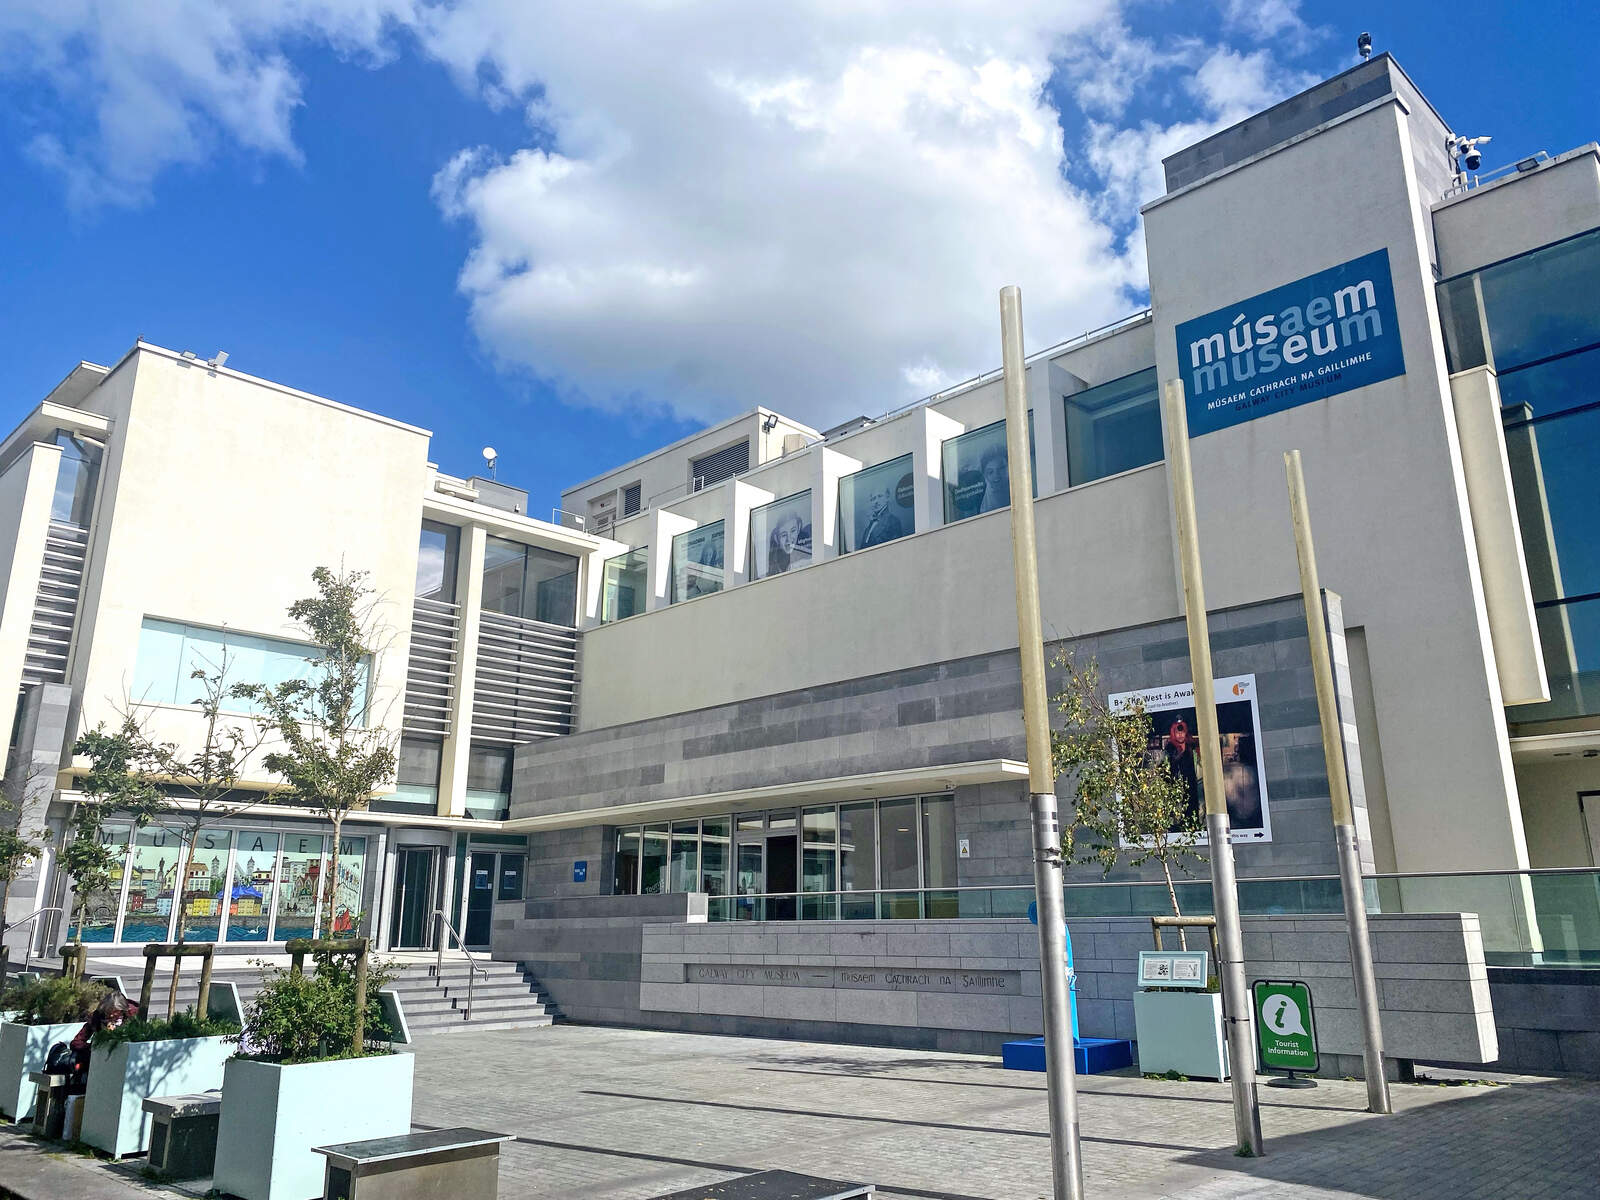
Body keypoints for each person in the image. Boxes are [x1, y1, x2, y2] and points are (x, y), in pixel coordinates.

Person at [65, 990, 138, 1094]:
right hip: (100, 1064)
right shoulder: (97, 1018)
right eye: (108, 1012)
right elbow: (76, 1042)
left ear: (122, 1010)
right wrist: (95, 1047)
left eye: (115, 1012)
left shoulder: (133, 1016)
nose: (111, 1015)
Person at [766, 511, 811, 575]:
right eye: (784, 535)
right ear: (776, 538)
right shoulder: (775, 563)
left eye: (793, 531)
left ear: (798, 527)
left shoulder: (808, 550)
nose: (789, 539)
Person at [977, 443, 1010, 513]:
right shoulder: (982, 499)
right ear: (985, 475)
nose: (996, 475)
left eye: (1001, 468)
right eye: (990, 472)